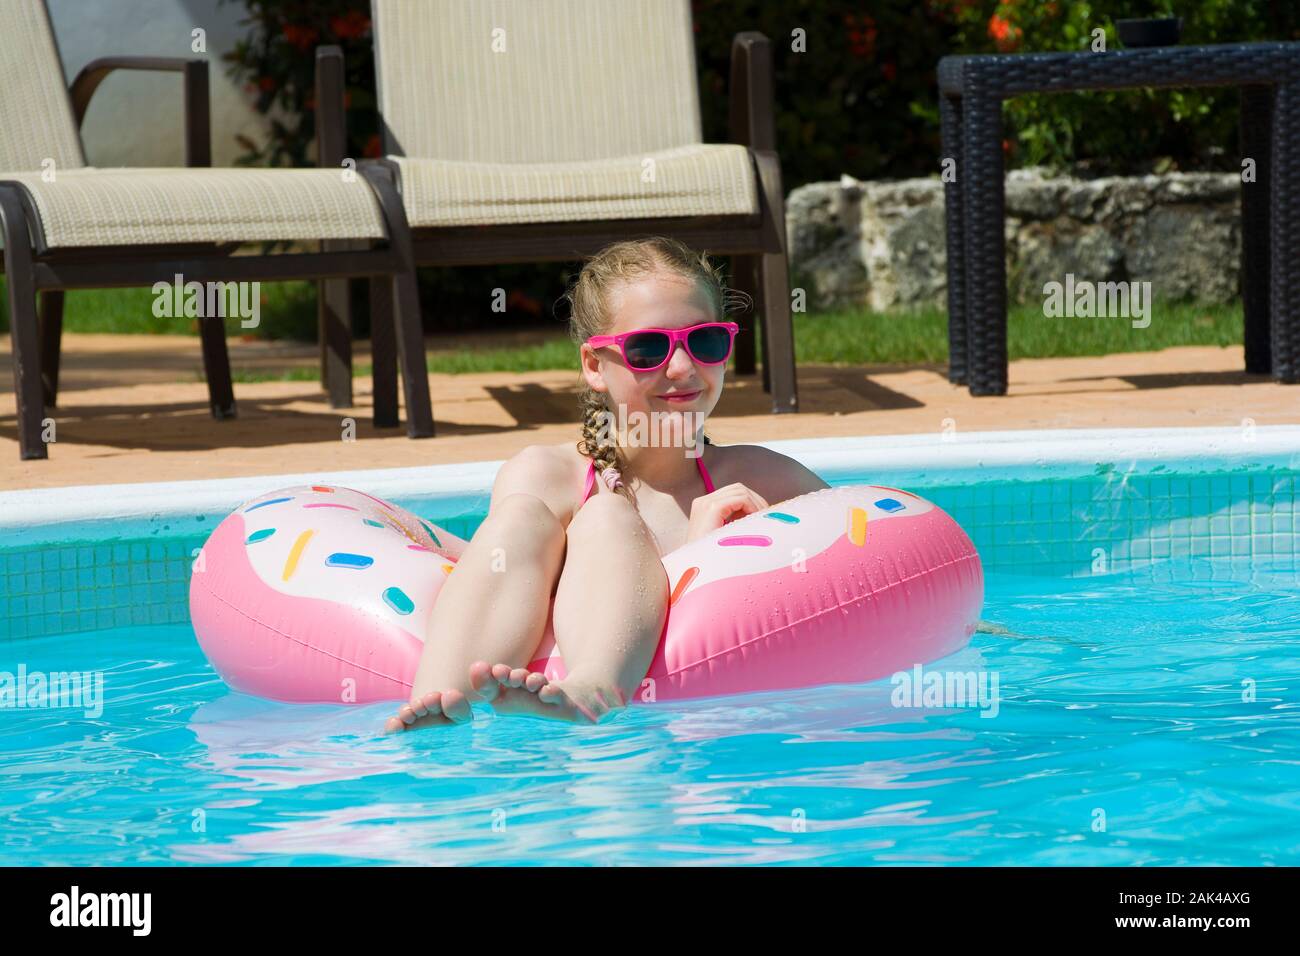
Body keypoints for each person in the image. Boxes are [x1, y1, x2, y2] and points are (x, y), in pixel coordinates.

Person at [385, 237, 828, 732]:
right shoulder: (547, 477)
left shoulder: (763, 479)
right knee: (585, 513)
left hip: (699, 742)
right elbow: (504, 583)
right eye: (647, 348)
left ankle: (593, 688)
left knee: (605, 513)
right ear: (595, 366)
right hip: (550, 740)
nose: (682, 368)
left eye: (704, 341)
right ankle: (440, 699)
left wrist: (711, 555)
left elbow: (868, 547)